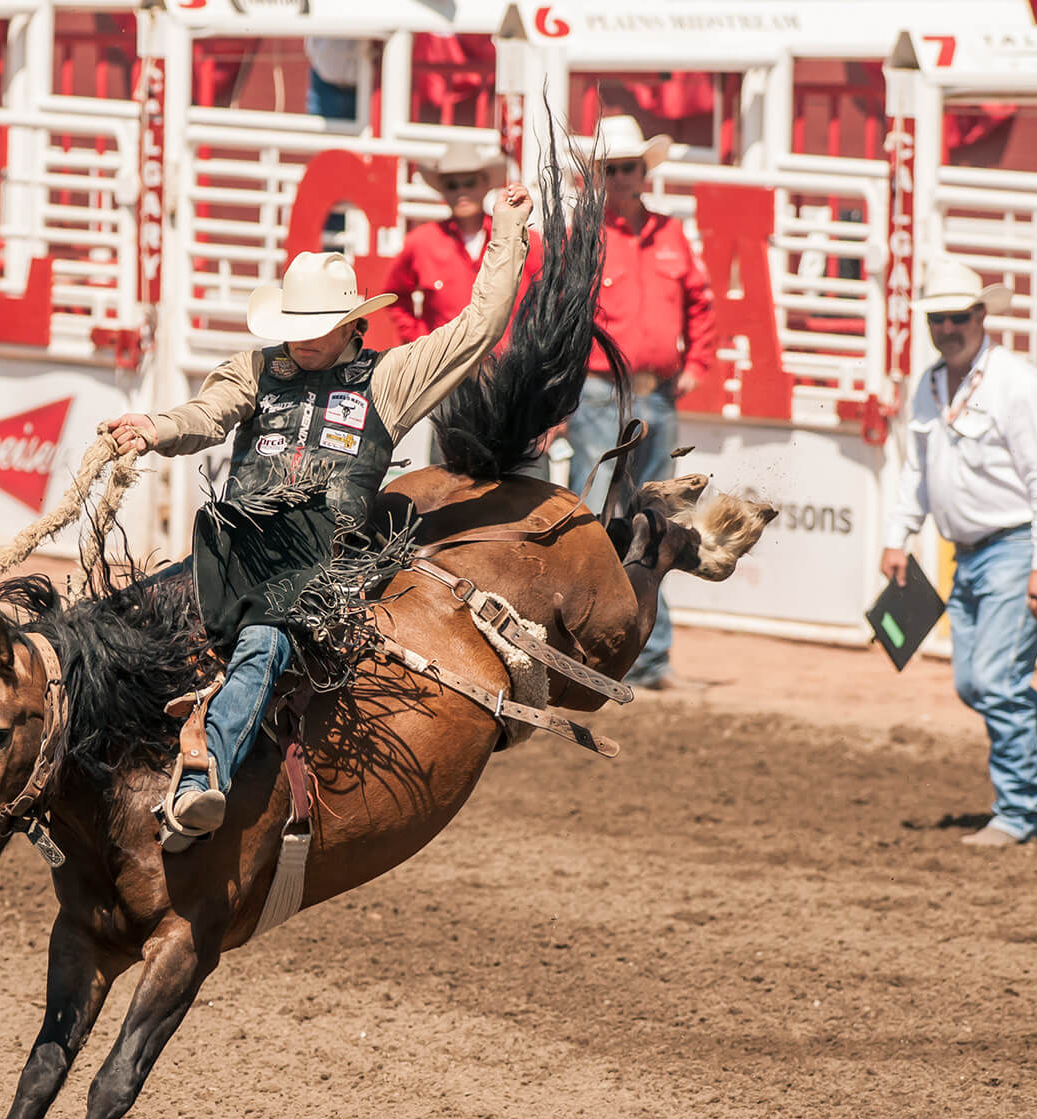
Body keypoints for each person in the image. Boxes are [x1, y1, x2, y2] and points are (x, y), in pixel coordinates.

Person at [98, 183, 534, 850]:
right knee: (119, 619)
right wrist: (156, 427)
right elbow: (205, 415)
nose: (298, 341)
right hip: (236, 550)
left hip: (319, 564)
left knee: (263, 643)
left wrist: (506, 231)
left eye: (313, 328)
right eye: (291, 327)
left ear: (352, 323)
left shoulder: (390, 379)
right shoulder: (254, 370)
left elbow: (480, 322)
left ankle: (198, 779)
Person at [881, 260, 1037, 848]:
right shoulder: (929, 384)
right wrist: (899, 535)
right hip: (968, 553)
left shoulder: (1019, 385)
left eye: (958, 316)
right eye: (938, 317)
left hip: (1016, 547)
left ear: (981, 316)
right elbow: (917, 471)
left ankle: (1018, 814)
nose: (948, 327)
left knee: (994, 681)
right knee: (981, 685)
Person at [562, 115, 714, 691]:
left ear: (643, 172)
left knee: (657, 521)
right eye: (612, 169)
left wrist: (696, 364)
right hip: (601, 392)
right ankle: (588, 640)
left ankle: (646, 653)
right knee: (601, 518)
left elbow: (701, 304)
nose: (623, 177)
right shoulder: (583, 236)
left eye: (630, 167)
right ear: (597, 177)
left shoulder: (669, 233)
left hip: (653, 396)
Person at [384, 137, 546, 471]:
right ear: (441, 189)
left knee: (523, 477)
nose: (461, 190)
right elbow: (394, 297)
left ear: (485, 184)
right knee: (448, 478)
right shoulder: (421, 243)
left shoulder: (523, 238)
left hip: (511, 376)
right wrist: (422, 344)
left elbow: (549, 303)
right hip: (450, 378)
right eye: (451, 183)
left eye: (468, 182)